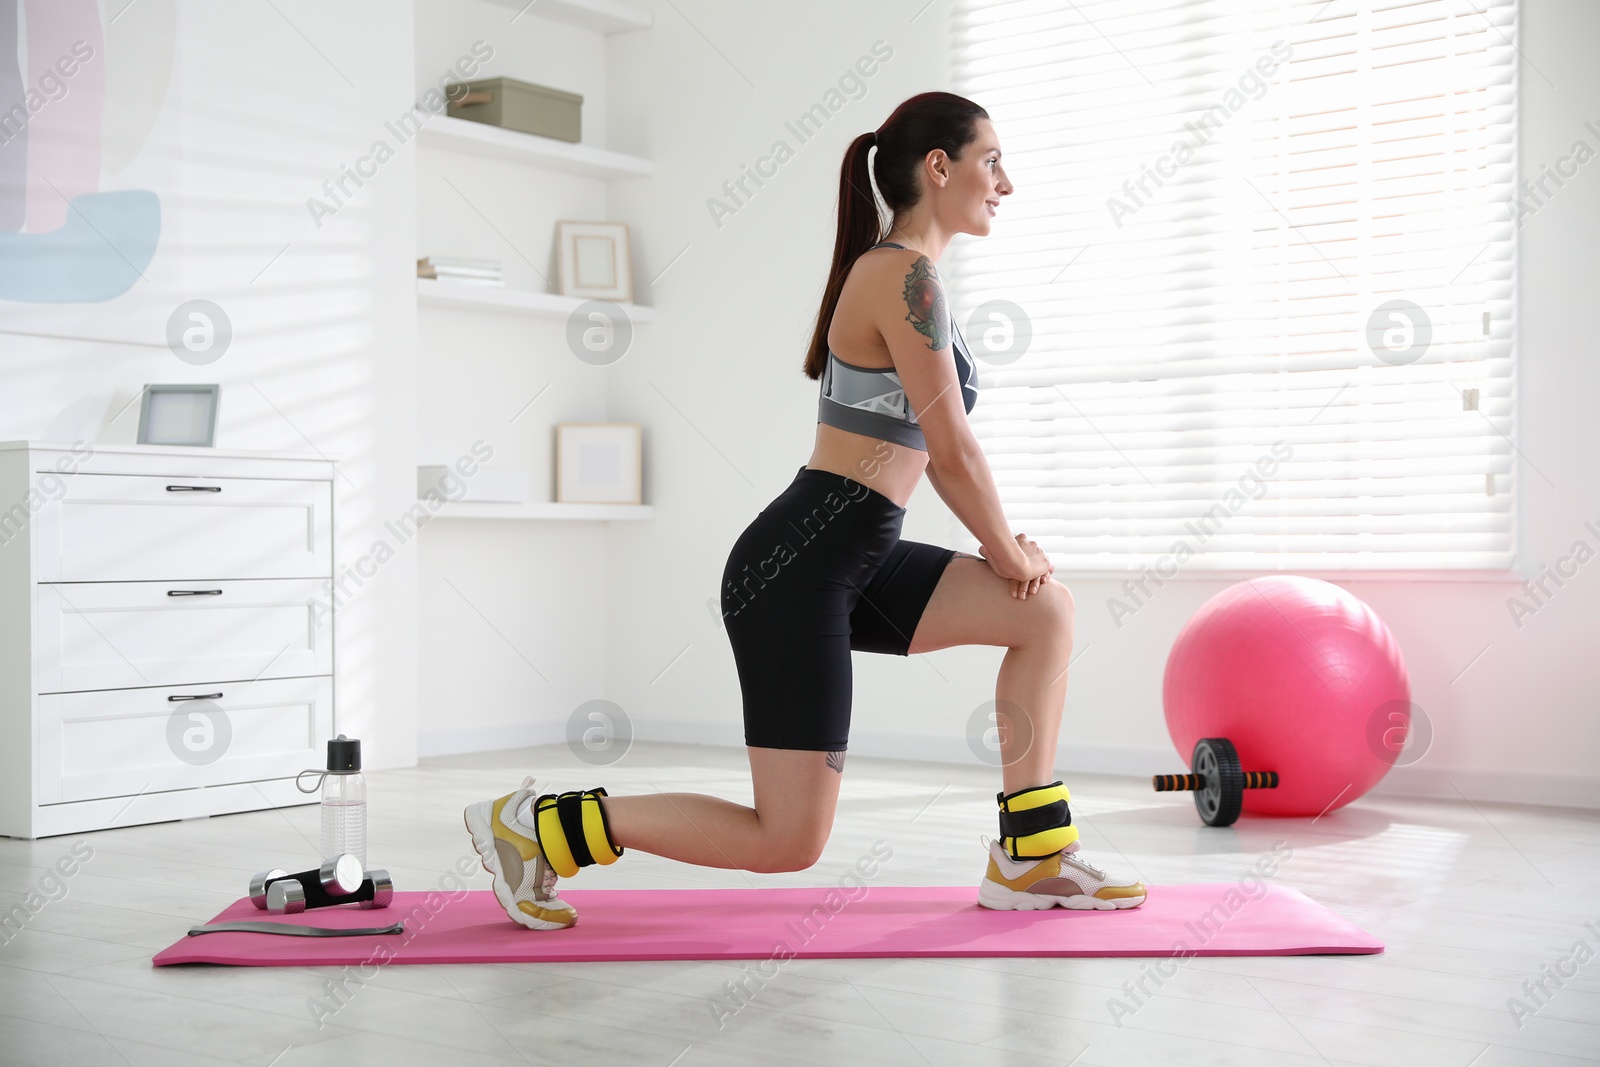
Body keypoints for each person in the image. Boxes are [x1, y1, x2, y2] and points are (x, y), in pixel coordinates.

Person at [463, 91, 1146, 929]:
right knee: (787, 839)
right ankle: (539, 827)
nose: (1007, 182)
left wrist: (1010, 556)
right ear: (940, 168)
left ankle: (1031, 856)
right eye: (992, 161)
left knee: (1046, 616)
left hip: (856, 552)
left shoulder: (908, 276)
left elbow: (937, 454)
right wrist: (1004, 549)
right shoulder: (902, 275)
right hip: (799, 564)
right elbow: (954, 453)